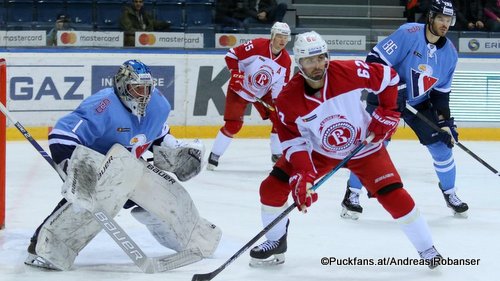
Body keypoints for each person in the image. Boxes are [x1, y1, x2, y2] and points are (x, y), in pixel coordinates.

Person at [248, 31, 442, 268]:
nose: (317, 65)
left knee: (394, 195)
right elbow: (293, 141)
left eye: (320, 58)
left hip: (365, 147)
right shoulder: (288, 98)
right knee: (271, 188)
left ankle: (427, 249)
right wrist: (303, 173)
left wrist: (389, 112)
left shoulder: (348, 72)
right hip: (319, 152)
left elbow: (389, 78)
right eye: (309, 61)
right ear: (299, 63)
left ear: (327, 57)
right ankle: (276, 241)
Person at [24, 60, 221, 271]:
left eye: (147, 89)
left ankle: (192, 238)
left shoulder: (158, 105)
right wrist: (73, 167)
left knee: (170, 194)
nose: (143, 96)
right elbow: (62, 135)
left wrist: (173, 148)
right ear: (121, 86)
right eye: (137, 89)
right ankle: (45, 247)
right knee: (84, 206)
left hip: (133, 169)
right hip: (98, 173)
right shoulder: (103, 105)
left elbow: (157, 134)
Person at [340, 0, 468, 220]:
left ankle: (450, 193)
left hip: (418, 103)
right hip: (386, 98)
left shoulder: (450, 54)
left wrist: (446, 123)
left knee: (442, 147)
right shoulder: (408, 33)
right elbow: (374, 59)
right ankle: (352, 194)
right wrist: (394, 87)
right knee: (371, 146)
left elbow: (440, 94)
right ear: (430, 18)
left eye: (449, 20)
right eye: (440, 19)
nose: (445, 24)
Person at [207, 22, 292, 170]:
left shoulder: (286, 61)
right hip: (240, 88)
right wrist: (236, 73)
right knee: (233, 125)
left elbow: (280, 87)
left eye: (285, 37)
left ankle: (277, 154)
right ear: (272, 36)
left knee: (280, 120)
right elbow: (231, 55)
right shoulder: (258, 45)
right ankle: (214, 155)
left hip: (263, 93)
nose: (282, 40)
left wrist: (278, 103)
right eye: (279, 36)